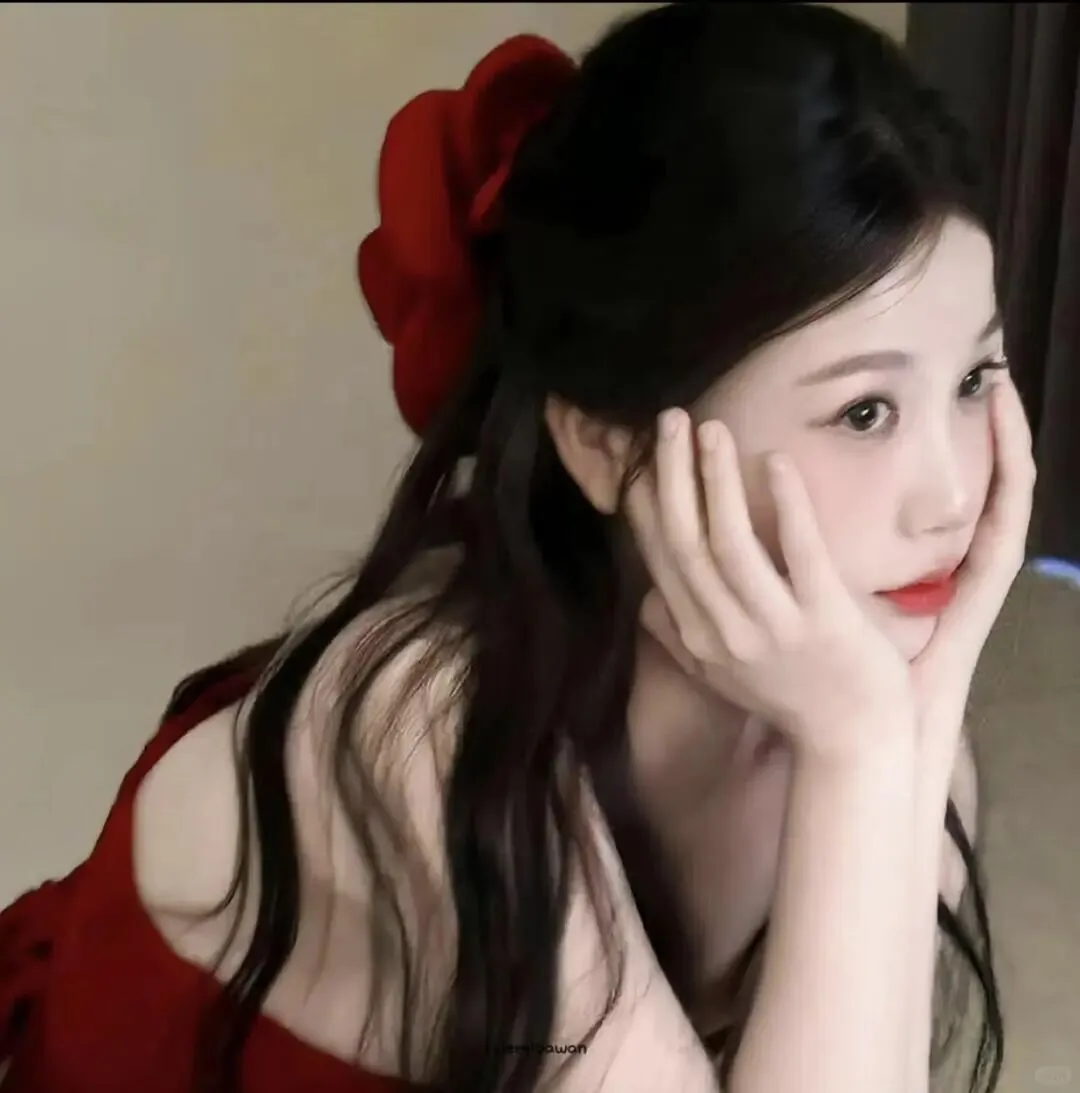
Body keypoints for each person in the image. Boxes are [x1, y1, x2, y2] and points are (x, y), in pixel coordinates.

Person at [0, 4, 1036, 1092]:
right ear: (607, 445)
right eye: (865, 412)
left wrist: (896, 735)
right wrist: (870, 754)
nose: (951, 497)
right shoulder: (423, 728)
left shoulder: (867, 713)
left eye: (975, 379)